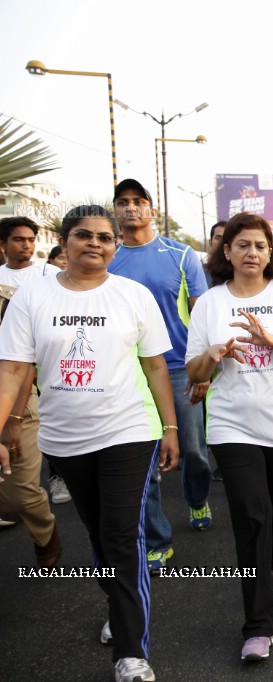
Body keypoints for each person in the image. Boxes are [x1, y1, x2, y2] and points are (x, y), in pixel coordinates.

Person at [0, 204, 179, 682]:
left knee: (123, 536)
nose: (95, 244)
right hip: (65, 439)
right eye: (84, 235)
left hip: (129, 431)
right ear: (64, 241)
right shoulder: (32, 298)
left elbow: (156, 365)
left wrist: (170, 427)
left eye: (105, 237)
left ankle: (131, 651)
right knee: (100, 534)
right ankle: (120, 606)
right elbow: (15, 369)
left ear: (115, 244)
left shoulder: (133, 295)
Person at [185, 212, 273, 661]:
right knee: (251, 515)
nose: (251, 253)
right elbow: (195, 372)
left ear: (270, 252)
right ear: (227, 251)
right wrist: (212, 354)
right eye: (242, 245)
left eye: (260, 246)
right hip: (230, 424)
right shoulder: (209, 304)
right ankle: (258, 627)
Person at [109, 179, 211, 575]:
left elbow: (202, 315)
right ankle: (157, 540)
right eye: (123, 203)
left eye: (139, 202)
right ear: (115, 210)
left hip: (179, 366)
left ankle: (197, 498)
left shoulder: (181, 255)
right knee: (143, 463)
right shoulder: (110, 259)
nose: (131, 209)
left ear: (152, 209)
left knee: (194, 451)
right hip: (130, 370)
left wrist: (204, 369)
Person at [0, 216, 62, 562]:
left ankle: (44, 531)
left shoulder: (48, 277)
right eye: (18, 239)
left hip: (27, 384)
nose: (26, 245)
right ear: (3, 245)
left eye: (30, 239)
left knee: (19, 492)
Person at [205, 221, 227, 288]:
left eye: (226, 238)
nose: (222, 243)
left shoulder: (240, 273)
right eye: (218, 238)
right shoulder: (200, 273)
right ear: (210, 242)